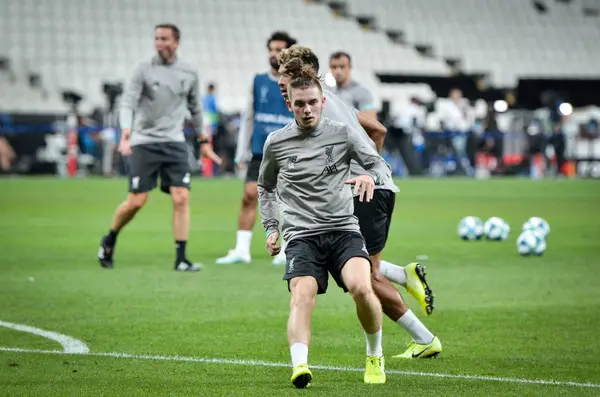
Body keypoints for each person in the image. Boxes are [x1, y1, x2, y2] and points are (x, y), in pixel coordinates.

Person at [278, 48, 442, 359]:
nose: (279, 81)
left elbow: (375, 132)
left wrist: (363, 174)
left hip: (364, 192)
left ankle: (422, 333)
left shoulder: (315, 108)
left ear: (301, 76)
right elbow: (377, 130)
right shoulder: (329, 99)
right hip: (374, 189)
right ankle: (408, 291)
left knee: (363, 276)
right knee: (355, 270)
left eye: (283, 76)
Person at [258, 66, 390, 388]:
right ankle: (300, 367)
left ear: (322, 101)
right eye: (300, 103)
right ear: (289, 104)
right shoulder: (276, 143)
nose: (307, 109)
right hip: (301, 234)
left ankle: (375, 355)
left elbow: (379, 165)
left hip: (344, 228)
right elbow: (266, 187)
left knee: (361, 287)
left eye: (313, 102)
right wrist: (271, 228)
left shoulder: (342, 132)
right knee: (302, 294)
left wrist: (367, 176)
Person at [97, 23, 221, 271]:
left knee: (181, 196)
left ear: (176, 42)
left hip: (174, 141)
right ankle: (110, 238)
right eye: (156, 38)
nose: (159, 43)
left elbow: (196, 109)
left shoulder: (189, 71)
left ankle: (181, 259)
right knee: (136, 201)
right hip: (145, 141)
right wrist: (125, 133)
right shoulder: (142, 69)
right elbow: (128, 103)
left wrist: (203, 142)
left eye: (164, 38)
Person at [216, 31, 297, 266]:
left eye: (279, 49)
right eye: (271, 49)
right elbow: (249, 116)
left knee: (288, 200)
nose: (274, 54)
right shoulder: (258, 81)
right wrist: (243, 150)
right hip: (260, 150)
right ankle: (242, 249)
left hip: (289, 151)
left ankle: (287, 249)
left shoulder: (297, 82)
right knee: (249, 196)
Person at [329, 51, 377, 120]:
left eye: (342, 67)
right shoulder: (328, 92)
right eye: (334, 67)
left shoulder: (362, 92)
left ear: (350, 67)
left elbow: (371, 120)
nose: (338, 71)